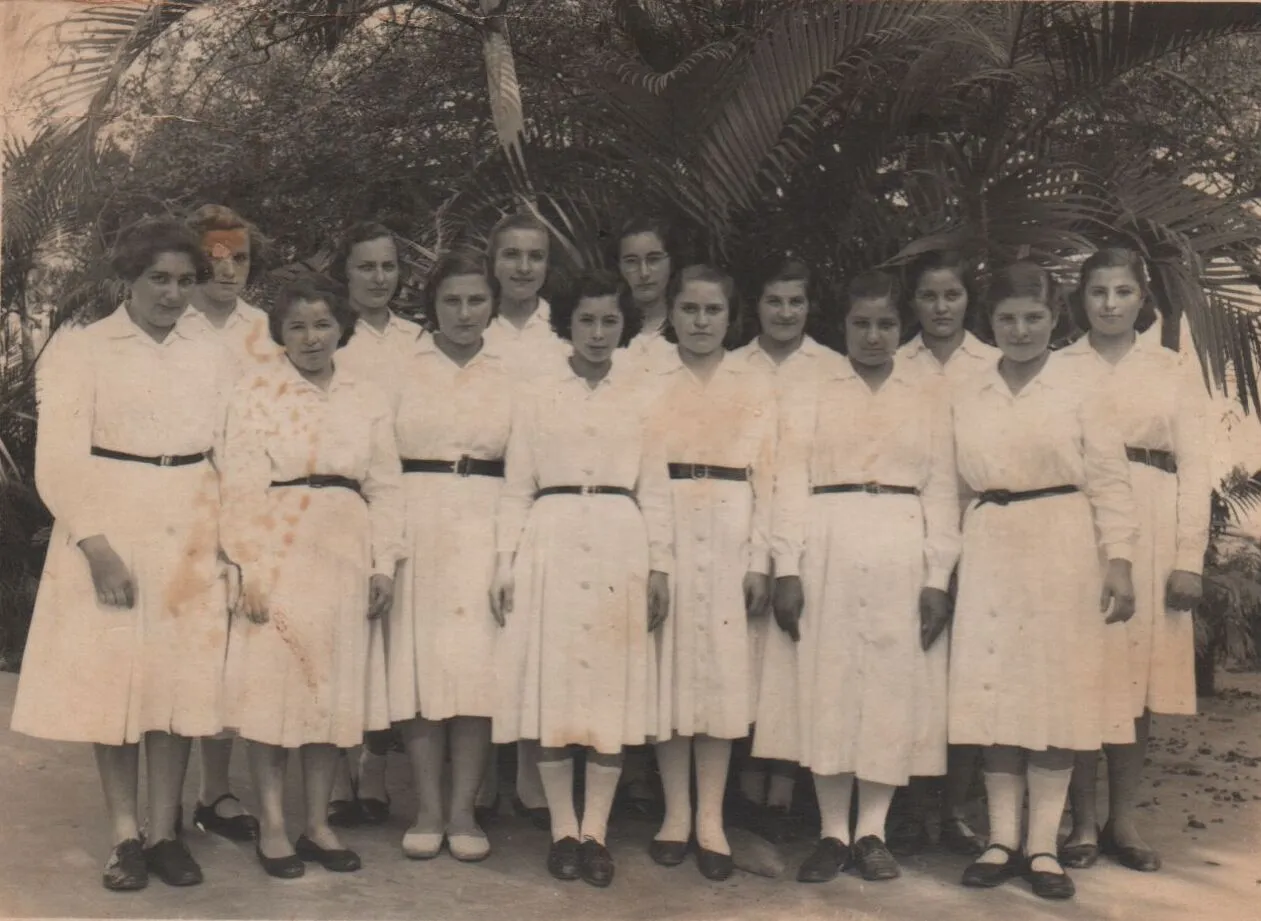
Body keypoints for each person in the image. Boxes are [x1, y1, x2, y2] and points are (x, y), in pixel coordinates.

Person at [12, 218, 229, 890]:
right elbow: (57, 460)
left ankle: (166, 833)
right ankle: (125, 835)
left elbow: (235, 449)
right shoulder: (83, 349)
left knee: (176, 686)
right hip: (112, 520)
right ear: (127, 280)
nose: (172, 293)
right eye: (158, 279)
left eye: (185, 281)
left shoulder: (214, 350)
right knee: (117, 685)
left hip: (193, 520)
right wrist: (96, 545)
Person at [948, 261, 1137, 901]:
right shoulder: (969, 391)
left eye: (1033, 317)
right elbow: (951, 487)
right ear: (990, 322)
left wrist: (1120, 560)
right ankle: (1002, 840)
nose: (1021, 329)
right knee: (997, 690)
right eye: (1007, 318)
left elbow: (1111, 480)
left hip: (1061, 542)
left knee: (1053, 694)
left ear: (1055, 319)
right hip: (989, 543)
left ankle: (1043, 847)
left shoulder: (1080, 387)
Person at [771, 270, 960, 884]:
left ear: (901, 328)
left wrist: (937, 576)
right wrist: (788, 567)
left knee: (888, 683)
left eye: (884, 324)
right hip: (827, 538)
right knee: (829, 681)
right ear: (842, 326)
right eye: (861, 324)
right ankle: (831, 832)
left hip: (901, 544)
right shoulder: (812, 387)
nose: (874, 336)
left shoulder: (926, 391)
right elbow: (788, 480)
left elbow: (941, 487)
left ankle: (873, 830)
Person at [491, 269, 672, 888]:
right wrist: (505, 565)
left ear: (625, 327)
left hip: (621, 543)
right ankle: (561, 829)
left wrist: (658, 566)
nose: (598, 333)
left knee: (608, 694)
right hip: (553, 543)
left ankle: (596, 831)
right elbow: (516, 486)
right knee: (556, 690)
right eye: (588, 321)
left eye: (611, 321)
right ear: (567, 324)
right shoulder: (538, 393)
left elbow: (656, 488)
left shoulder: (642, 392)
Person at [218, 274, 403, 879]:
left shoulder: (366, 395)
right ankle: (273, 825)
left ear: (341, 328)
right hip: (280, 544)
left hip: (345, 548)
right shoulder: (257, 391)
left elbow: (385, 485)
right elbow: (241, 486)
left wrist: (384, 563)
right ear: (279, 333)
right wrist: (248, 567)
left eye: (322, 323)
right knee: (274, 689)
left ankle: (318, 823)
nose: (311, 337)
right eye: (296, 325)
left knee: (329, 693)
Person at [1056, 248, 1211, 873]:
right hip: (1077, 524)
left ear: (1142, 299)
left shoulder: (1171, 368)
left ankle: (1124, 817)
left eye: (1123, 292)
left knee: (1136, 679)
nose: (1111, 304)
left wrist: (1189, 557)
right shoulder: (1060, 366)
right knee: (1081, 671)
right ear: (1082, 299)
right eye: (1099, 292)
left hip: (1153, 518)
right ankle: (1081, 820)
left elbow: (1197, 466)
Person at [646, 265, 776, 880]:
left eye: (713, 311)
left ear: (731, 316)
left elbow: (772, 479)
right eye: (690, 310)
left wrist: (760, 559)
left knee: (722, 677)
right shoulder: (647, 376)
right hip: (668, 519)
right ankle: (675, 815)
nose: (701, 322)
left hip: (730, 526)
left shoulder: (755, 382)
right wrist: (654, 559)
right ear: (671, 313)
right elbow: (639, 473)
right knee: (672, 673)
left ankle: (711, 821)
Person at [389, 251, 508, 863]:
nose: (465, 313)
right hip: (420, 519)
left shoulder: (512, 372)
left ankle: (464, 811)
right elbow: (382, 463)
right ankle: (428, 808)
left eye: (477, 301)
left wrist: (509, 555)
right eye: (452, 301)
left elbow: (525, 471)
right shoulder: (404, 367)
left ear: (492, 305)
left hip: (485, 522)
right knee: (422, 669)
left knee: (475, 671)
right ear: (432, 304)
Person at [890, 250, 1001, 857]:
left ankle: (956, 808)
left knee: (967, 675)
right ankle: (909, 807)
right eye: (929, 297)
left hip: (983, 529)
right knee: (915, 668)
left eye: (952, 296)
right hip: (915, 536)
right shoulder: (895, 362)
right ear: (913, 303)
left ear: (968, 301)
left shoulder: (992, 362)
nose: (940, 308)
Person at [738, 257, 847, 840]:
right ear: (756, 306)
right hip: (738, 525)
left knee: (789, 658)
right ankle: (743, 783)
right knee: (745, 663)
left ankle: (785, 786)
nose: (785, 313)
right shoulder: (733, 369)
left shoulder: (832, 370)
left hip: (800, 528)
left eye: (796, 302)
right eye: (774, 301)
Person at [181, 203, 278, 844]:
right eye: (216, 258)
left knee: (233, 645)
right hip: (184, 499)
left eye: (239, 257)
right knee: (188, 645)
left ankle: (216, 791)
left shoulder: (261, 327)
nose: (229, 269)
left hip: (246, 497)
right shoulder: (175, 322)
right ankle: (175, 795)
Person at [324, 220, 420, 825]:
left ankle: (377, 774)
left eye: (388, 267)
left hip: (409, 495)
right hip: (344, 501)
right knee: (342, 641)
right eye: (366, 267)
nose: (379, 278)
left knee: (391, 641)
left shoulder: (420, 340)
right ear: (346, 274)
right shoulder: (333, 339)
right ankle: (336, 779)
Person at [480, 212, 569, 824]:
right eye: (510, 255)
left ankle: (533, 780)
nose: (522, 267)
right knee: (481, 640)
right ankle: (480, 782)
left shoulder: (561, 345)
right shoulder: (472, 332)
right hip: (477, 495)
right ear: (493, 262)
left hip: (538, 503)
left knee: (532, 637)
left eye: (534, 257)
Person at [617, 215, 679, 374]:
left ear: (671, 262)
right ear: (620, 266)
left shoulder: (687, 328)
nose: (644, 273)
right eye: (631, 261)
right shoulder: (608, 328)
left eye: (654, 260)